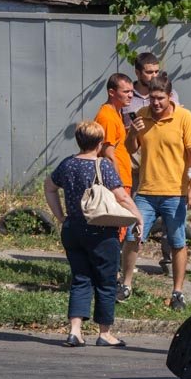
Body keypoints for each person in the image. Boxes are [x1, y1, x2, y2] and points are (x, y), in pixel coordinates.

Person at [44, 121, 143, 347]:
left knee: (80, 279)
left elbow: (49, 187)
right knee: (106, 281)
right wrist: (138, 217)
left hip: (73, 230)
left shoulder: (67, 164)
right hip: (101, 231)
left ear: (78, 141)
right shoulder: (103, 165)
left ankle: (75, 331)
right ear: (99, 144)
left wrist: (61, 216)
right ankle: (104, 333)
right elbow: (122, 197)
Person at [119, 75, 191, 310]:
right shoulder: (141, 115)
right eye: (152, 98)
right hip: (146, 191)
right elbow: (130, 148)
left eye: (160, 98)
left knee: (177, 241)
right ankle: (125, 284)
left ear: (169, 97)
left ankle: (178, 292)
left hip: (175, 192)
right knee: (133, 236)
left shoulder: (185, 117)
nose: (155, 103)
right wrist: (132, 133)